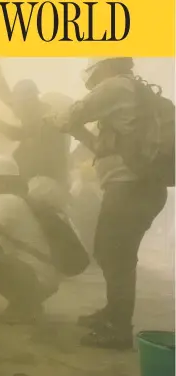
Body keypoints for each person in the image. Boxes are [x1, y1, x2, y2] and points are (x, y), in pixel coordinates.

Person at [54, 57, 169, 349]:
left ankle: (118, 329)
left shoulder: (116, 86)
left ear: (105, 67)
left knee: (117, 259)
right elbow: (99, 148)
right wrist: (72, 129)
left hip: (130, 189)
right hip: (137, 189)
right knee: (109, 253)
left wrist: (57, 121)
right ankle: (112, 313)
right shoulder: (129, 106)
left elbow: (72, 113)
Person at [0, 155, 61, 324]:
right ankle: (27, 304)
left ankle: (24, 304)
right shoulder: (19, 198)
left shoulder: (4, 201)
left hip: (35, 277)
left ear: (1, 182)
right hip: (45, 276)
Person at [0, 59, 70, 188]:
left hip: (47, 182)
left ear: (29, 101)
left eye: (19, 103)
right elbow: (7, 97)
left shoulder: (46, 118)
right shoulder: (31, 110)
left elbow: (17, 134)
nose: (15, 107)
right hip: (39, 177)